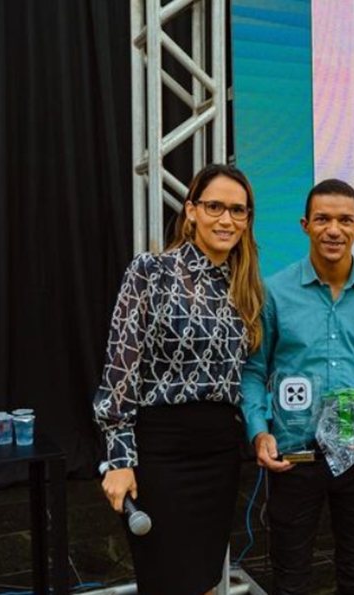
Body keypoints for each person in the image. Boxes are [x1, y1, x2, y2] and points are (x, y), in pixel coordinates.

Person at [92, 164, 264, 595]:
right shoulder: (151, 272)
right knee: (168, 583)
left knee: (204, 581)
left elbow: (245, 377)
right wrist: (118, 457)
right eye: (214, 207)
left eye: (238, 211)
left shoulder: (245, 287)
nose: (226, 220)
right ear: (191, 210)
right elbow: (120, 369)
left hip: (221, 456)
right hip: (163, 455)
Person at [241, 179, 354, 595]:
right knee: (291, 576)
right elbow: (252, 371)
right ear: (305, 225)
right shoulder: (274, 292)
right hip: (294, 457)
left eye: (344, 220)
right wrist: (258, 430)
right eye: (323, 219)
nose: (333, 229)